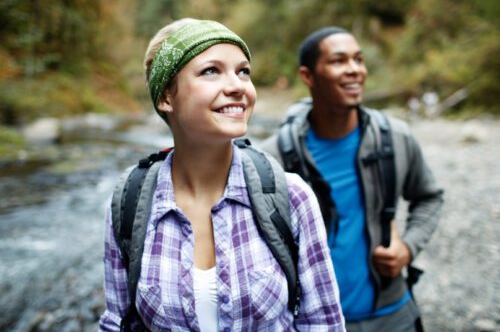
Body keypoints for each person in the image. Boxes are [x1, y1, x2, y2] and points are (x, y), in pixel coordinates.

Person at [99, 18, 345, 331]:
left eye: (243, 71)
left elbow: (323, 323)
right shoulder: (128, 204)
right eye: (211, 71)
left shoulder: (290, 195)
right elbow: (116, 322)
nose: (238, 86)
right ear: (165, 98)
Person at [261, 26, 444, 332]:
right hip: (312, 321)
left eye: (359, 60)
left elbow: (429, 196)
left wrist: (408, 248)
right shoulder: (273, 157)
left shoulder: (396, 138)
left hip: (393, 315)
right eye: (338, 61)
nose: (354, 70)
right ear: (308, 76)